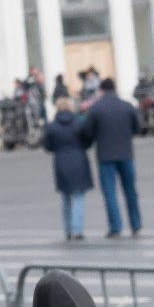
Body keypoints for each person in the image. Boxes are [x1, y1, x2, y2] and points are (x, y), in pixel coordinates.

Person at [85, 78, 143, 238]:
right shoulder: (126, 106)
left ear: (102, 90)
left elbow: (88, 132)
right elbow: (137, 128)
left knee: (110, 193)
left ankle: (115, 227)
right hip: (126, 154)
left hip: (105, 155)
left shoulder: (96, 108)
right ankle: (136, 224)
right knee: (130, 191)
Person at [40, 96, 94, 241]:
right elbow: (88, 140)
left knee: (65, 197)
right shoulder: (79, 122)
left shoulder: (52, 126)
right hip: (78, 159)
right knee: (78, 197)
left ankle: (68, 229)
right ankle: (78, 229)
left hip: (61, 161)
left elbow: (48, 146)